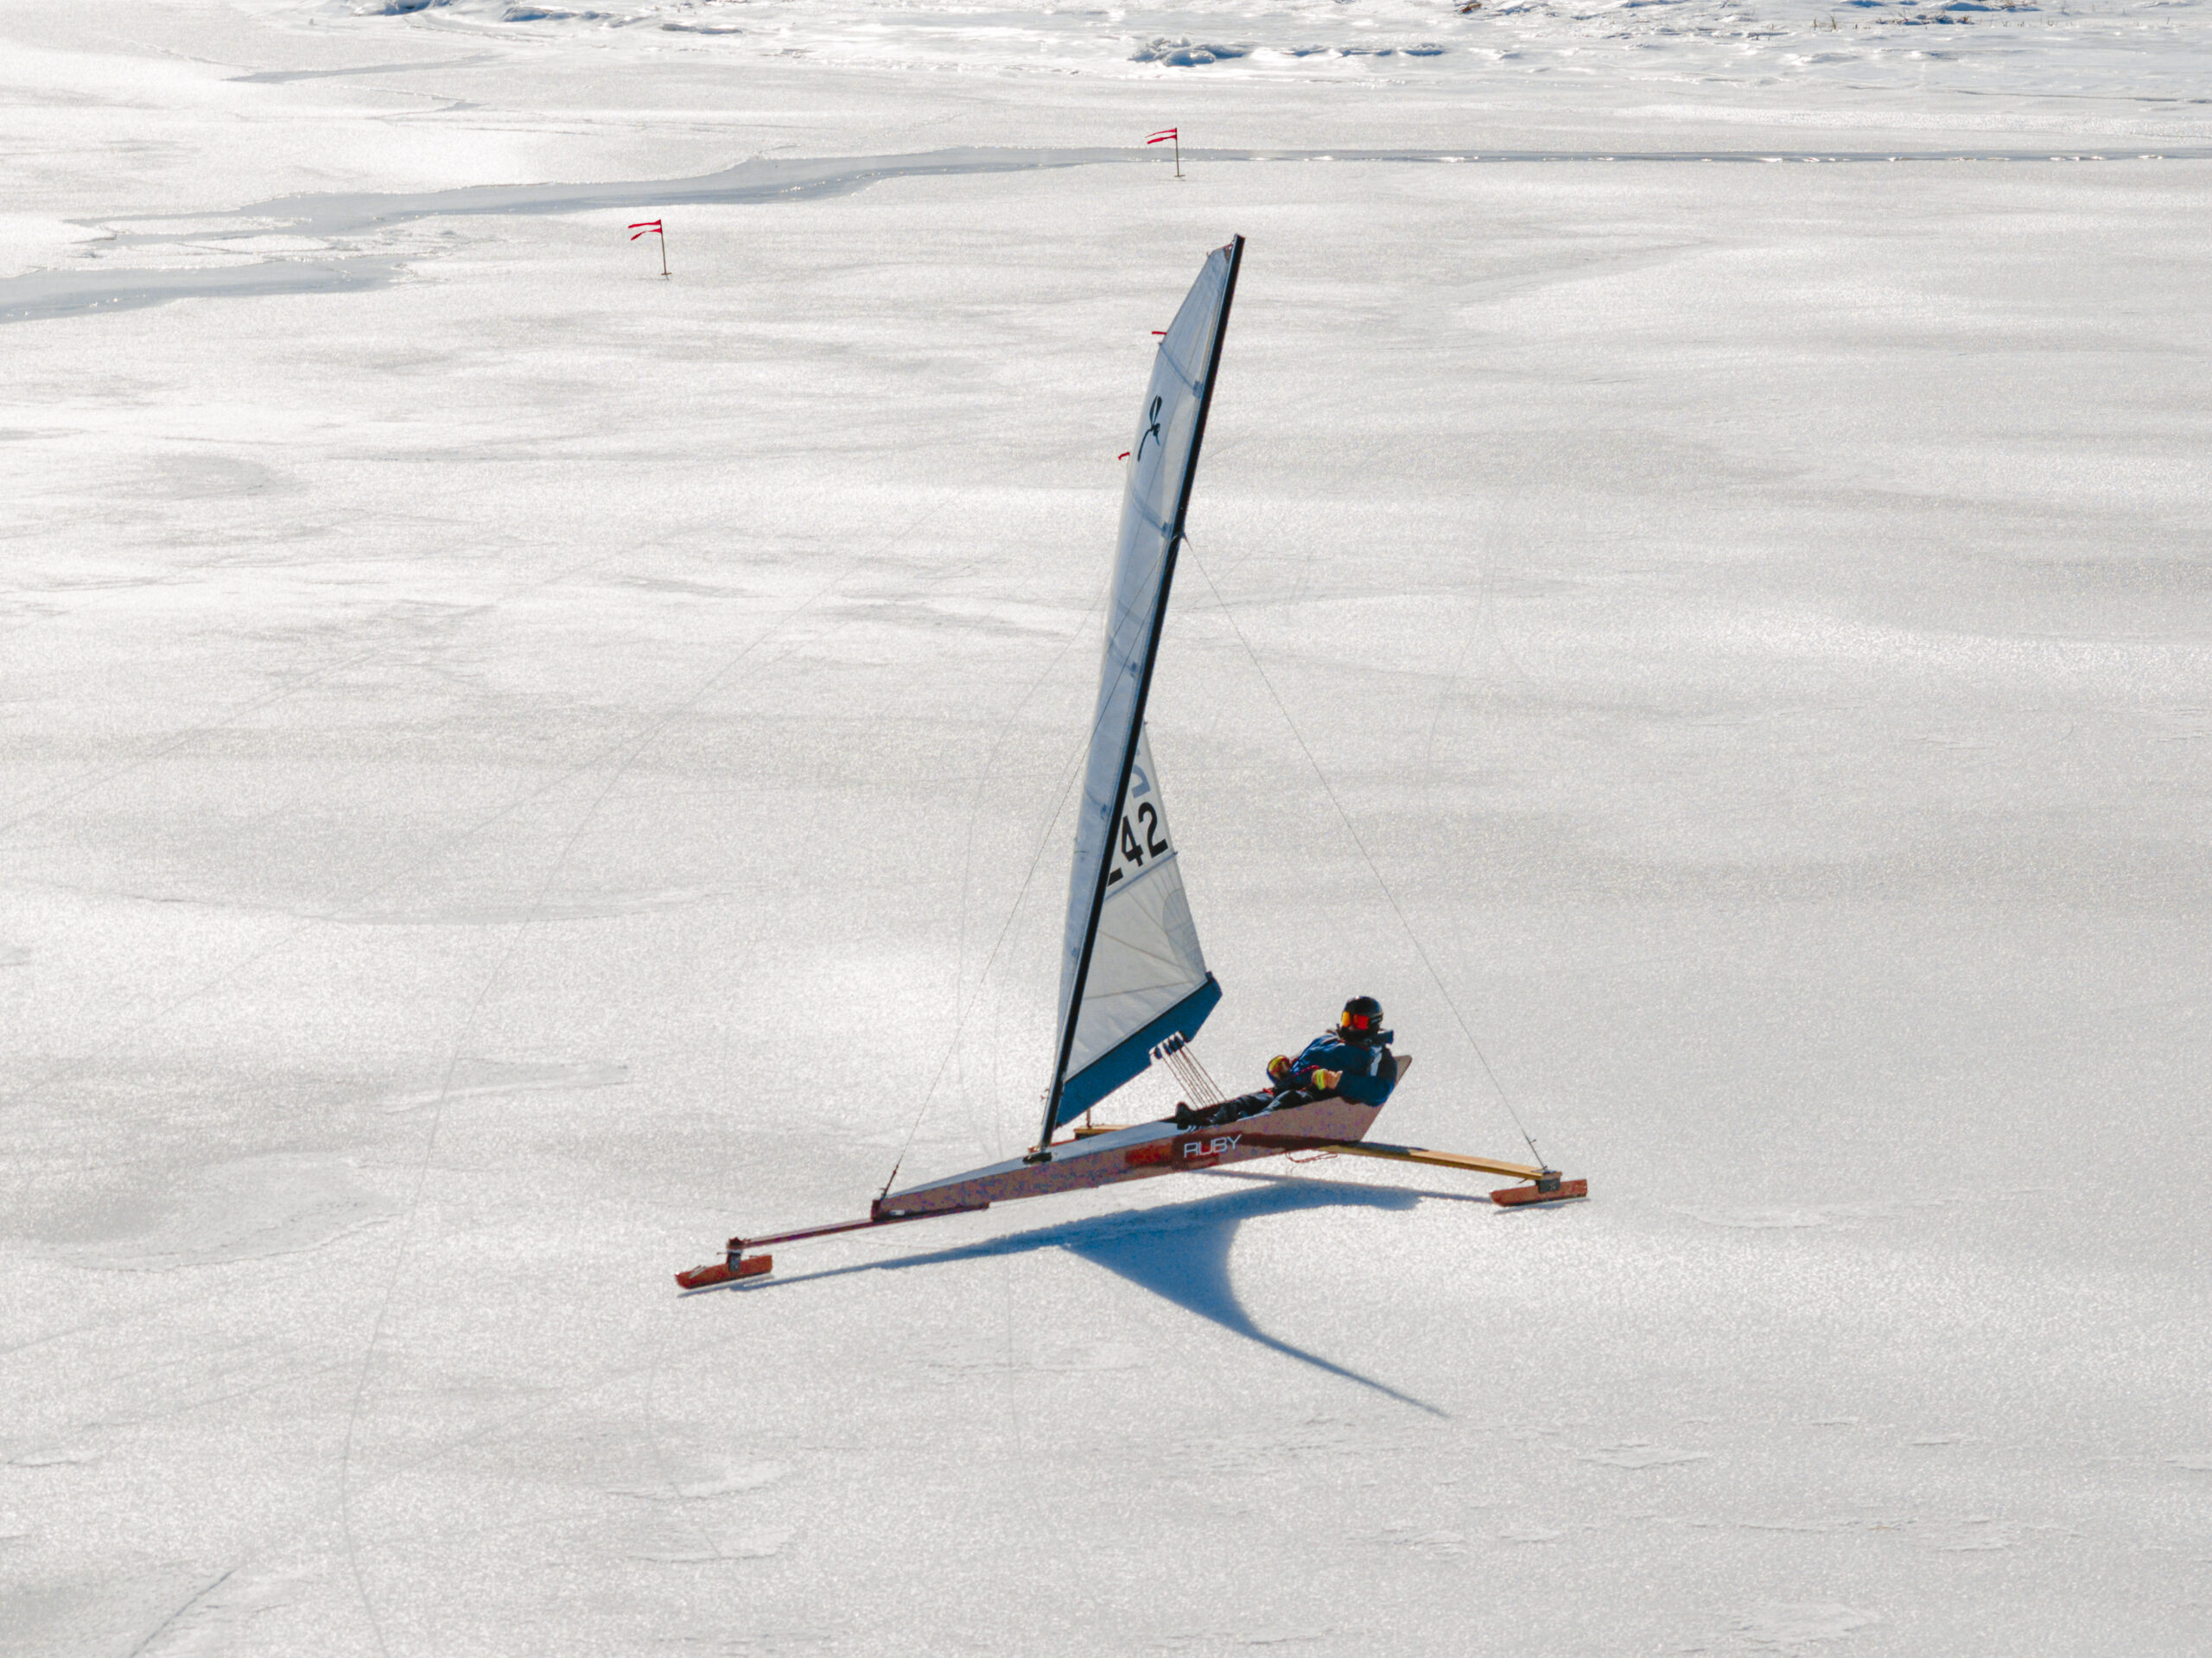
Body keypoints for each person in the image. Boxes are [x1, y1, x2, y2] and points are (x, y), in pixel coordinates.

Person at [1174, 996, 1396, 1129]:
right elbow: (1297, 1066)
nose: (1350, 1026)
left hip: (1315, 1101)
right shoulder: (1327, 1039)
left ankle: (1240, 1129)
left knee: (1286, 1100)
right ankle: (1206, 1124)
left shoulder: (1378, 1055)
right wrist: (1281, 1070)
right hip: (1285, 1090)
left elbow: (1379, 1091)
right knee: (1247, 1101)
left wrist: (1339, 1082)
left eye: (1358, 1022)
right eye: (1347, 1019)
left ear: (1372, 1024)